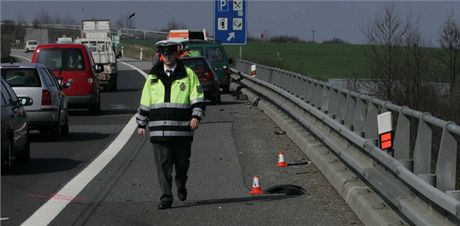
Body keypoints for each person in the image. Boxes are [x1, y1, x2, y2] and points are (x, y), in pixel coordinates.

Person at [136, 40, 206, 210]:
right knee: (163, 165)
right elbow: (145, 101)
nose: (167, 57)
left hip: (183, 130)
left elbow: (197, 98)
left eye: (170, 53)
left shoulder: (188, 74)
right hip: (159, 131)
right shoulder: (152, 77)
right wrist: (141, 123)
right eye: (164, 54)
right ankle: (166, 197)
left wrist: (196, 116)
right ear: (161, 55)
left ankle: (181, 184)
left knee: (182, 164)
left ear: (176, 53)